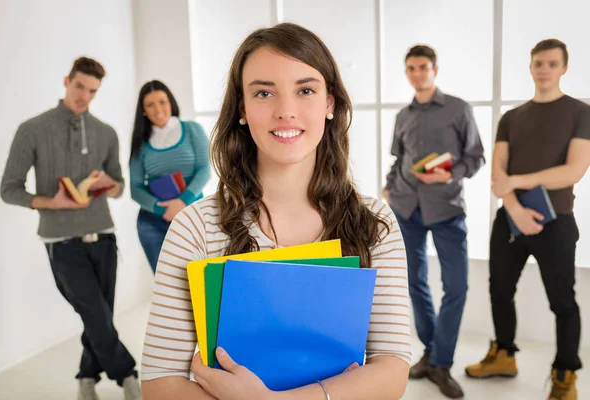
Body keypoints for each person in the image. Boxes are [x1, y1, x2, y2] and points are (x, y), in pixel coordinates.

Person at [140, 22, 411, 400]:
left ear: (329, 102)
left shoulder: (373, 224)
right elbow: (159, 384)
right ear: (242, 108)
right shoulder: (195, 228)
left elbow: (393, 370)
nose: (286, 111)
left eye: (305, 90)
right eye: (264, 92)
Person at [0, 57, 141, 399]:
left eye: (92, 91)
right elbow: (9, 189)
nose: (84, 96)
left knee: (99, 317)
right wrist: (54, 203)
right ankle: (128, 376)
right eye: (79, 86)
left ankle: (86, 377)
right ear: (67, 81)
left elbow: (121, 186)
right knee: (94, 312)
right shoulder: (32, 129)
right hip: (60, 241)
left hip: (103, 236)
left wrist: (110, 182)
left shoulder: (105, 133)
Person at [465, 39, 590, 400]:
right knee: (499, 291)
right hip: (510, 220)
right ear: (531, 66)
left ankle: (565, 373)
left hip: (557, 223)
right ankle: (504, 355)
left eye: (552, 63)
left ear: (564, 68)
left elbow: (573, 171)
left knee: (562, 302)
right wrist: (516, 210)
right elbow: (498, 176)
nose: (544, 69)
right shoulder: (511, 118)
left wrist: (518, 182)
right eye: (538, 62)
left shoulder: (580, 113)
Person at [382, 45, 485, 398]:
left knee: (457, 287)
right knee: (414, 283)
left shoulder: (459, 109)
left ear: (435, 69)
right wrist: (389, 188)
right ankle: (431, 354)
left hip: (447, 210)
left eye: (423, 67)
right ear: (407, 72)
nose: (417, 73)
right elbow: (399, 161)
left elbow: (476, 158)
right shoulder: (402, 116)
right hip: (407, 210)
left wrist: (449, 175)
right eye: (411, 67)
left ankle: (442, 363)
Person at [129, 80, 211, 273]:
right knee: (166, 286)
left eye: (162, 101)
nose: (158, 109)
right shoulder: (141, 143)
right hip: (153, 223)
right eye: (150, 104)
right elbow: (135, 187)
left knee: (199, 280)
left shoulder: (192, 130)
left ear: (170, 102)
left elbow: (204, 169)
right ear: (143, 110)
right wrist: (160, 209)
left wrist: (182, 203)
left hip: (192, 216)